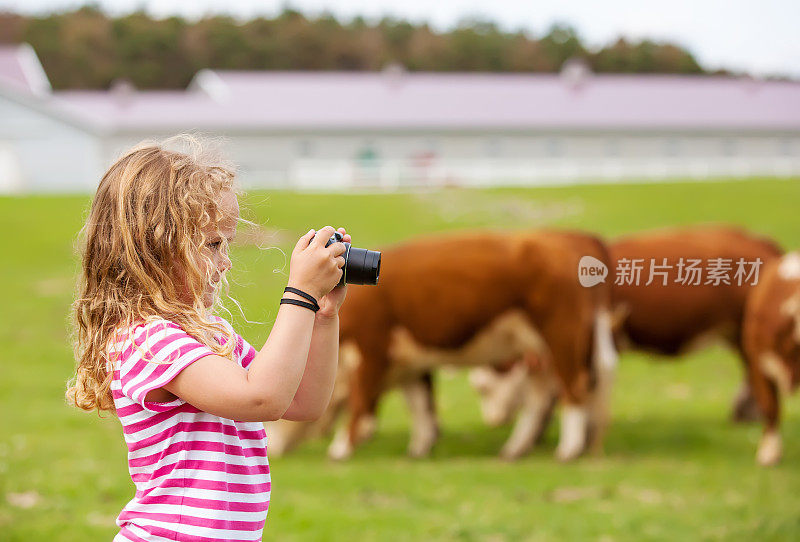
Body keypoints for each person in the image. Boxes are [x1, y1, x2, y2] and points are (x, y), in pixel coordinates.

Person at [65, 136, 348, 541]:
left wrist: (322, 315)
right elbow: (262, 398)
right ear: (154, 250)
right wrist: (299, 294)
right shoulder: (149, 341)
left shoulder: (210, 337)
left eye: (226, 243)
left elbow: (303, 402)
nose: (226, 260)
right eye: (212, 244)